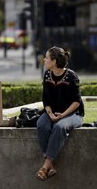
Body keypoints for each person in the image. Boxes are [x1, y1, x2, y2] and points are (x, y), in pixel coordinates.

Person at [36, 46, 84, 181]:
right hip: (53, 112)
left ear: (54, 61)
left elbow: (77, 102)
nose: (44, 59)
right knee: (42, 124)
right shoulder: (46, 75)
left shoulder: (71, 76)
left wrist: (62, 115)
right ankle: (50, 166)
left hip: (73, 114)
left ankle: (45, 166)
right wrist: (50, 114)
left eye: (46, 57)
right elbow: (46, 99)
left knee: (59, 127)